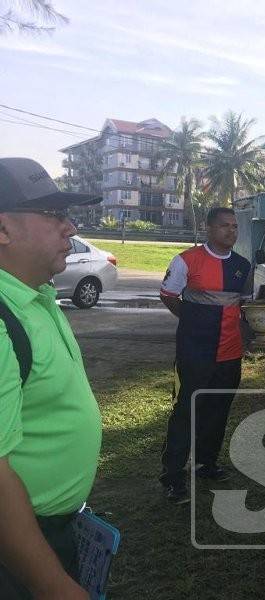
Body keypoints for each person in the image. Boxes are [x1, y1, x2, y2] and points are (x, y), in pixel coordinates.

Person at [0, 157, 103, 599]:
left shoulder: (37, 297)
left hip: (51, 531)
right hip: (18, 548)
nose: (70, 227)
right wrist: (56, 588)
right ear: (3, 230)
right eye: (54, 215)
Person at [159, 207, 252, 504]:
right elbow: (169, 296)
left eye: (235, 226)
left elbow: (243, 305)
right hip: (195, 353)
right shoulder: (187, 260)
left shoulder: (242, 265)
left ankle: (205, 464)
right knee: (186, 412)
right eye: (225, 226)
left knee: (217, 411)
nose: (231, 231)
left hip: (229, 353)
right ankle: (173, 477)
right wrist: (192, 322)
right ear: (208, 228)